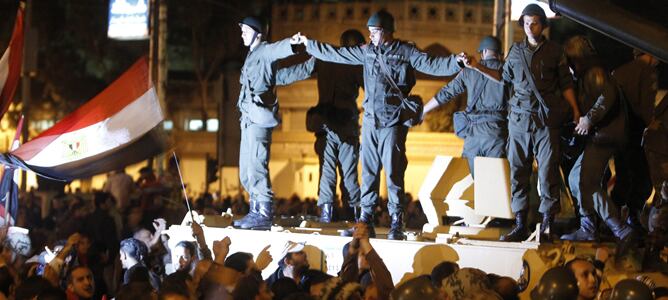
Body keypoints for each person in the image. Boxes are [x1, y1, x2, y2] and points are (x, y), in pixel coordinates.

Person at [291, 10, 466, 240]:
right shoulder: (367, 52)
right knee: (370, 173)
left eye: (374, 32)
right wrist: (309, 44)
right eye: (370, 32)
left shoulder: (406, 51)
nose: (370, 36)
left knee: (393, 172)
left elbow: (431, 64)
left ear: (386, 31)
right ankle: (365, 219)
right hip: (372, 121)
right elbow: (336, 54)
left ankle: (396, 221)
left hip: (393, 121)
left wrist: (456, 62)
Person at [466, 4, 580, 242]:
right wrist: (477, 66)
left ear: (543, 24)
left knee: (548, 170)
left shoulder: (555, 52)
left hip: (545, 121)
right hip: (519, 121)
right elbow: (503, 79)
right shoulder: (515, 51)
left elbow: (566, 84)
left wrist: (576, 111)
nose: (530, 26)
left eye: (535, 22)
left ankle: (547, 223)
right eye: (526, 22)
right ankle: (520, 224)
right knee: (518, 171)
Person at [276, 29, 366, 223]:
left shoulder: (324, 58)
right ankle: (352, 216)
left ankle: (327, 214)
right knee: (348, 174)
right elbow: (373, 90)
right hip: (345, 127)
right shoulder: (357, 64)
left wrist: (271, 77)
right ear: (356, 45)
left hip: (324, 126)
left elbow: (298, 71)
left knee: (326, 171)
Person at [559, 36, 636, 247]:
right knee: (577, 179)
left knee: (584, 181)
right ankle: (597, 226)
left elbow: (607, 95)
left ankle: (614, 228)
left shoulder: (594, 73)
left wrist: (589, 119)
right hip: (602, 135)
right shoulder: (589, 74)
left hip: (604, 136)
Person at [232, 16, 298, 231]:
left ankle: (263, 213)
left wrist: (293, 43)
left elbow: (279, 49)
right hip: (248, 118)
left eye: (246, 30)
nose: (242, 33)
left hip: (259, 118)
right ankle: (255, 210)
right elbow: (282, 76)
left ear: (258, 33)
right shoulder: (252, 55)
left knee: (257, 165)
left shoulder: (265, 50)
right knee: (246, 171)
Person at [422, 35, 508, 176]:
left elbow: (446, 93)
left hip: (473, 134)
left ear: (483, 52)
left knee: (469, 179)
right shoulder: (506, 71)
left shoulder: (469, 72)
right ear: (500, 53)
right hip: (496, 133)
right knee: (495, 181)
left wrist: (424, 109)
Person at [611, 49, 659, 229]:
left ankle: (612, 219)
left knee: (623, 177)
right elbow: (646, 108)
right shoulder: (648, 72)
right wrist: (651, 127)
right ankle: (633, 216)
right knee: (643, 180)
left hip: (617, 133)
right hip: (636, 133)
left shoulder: (619, 71)